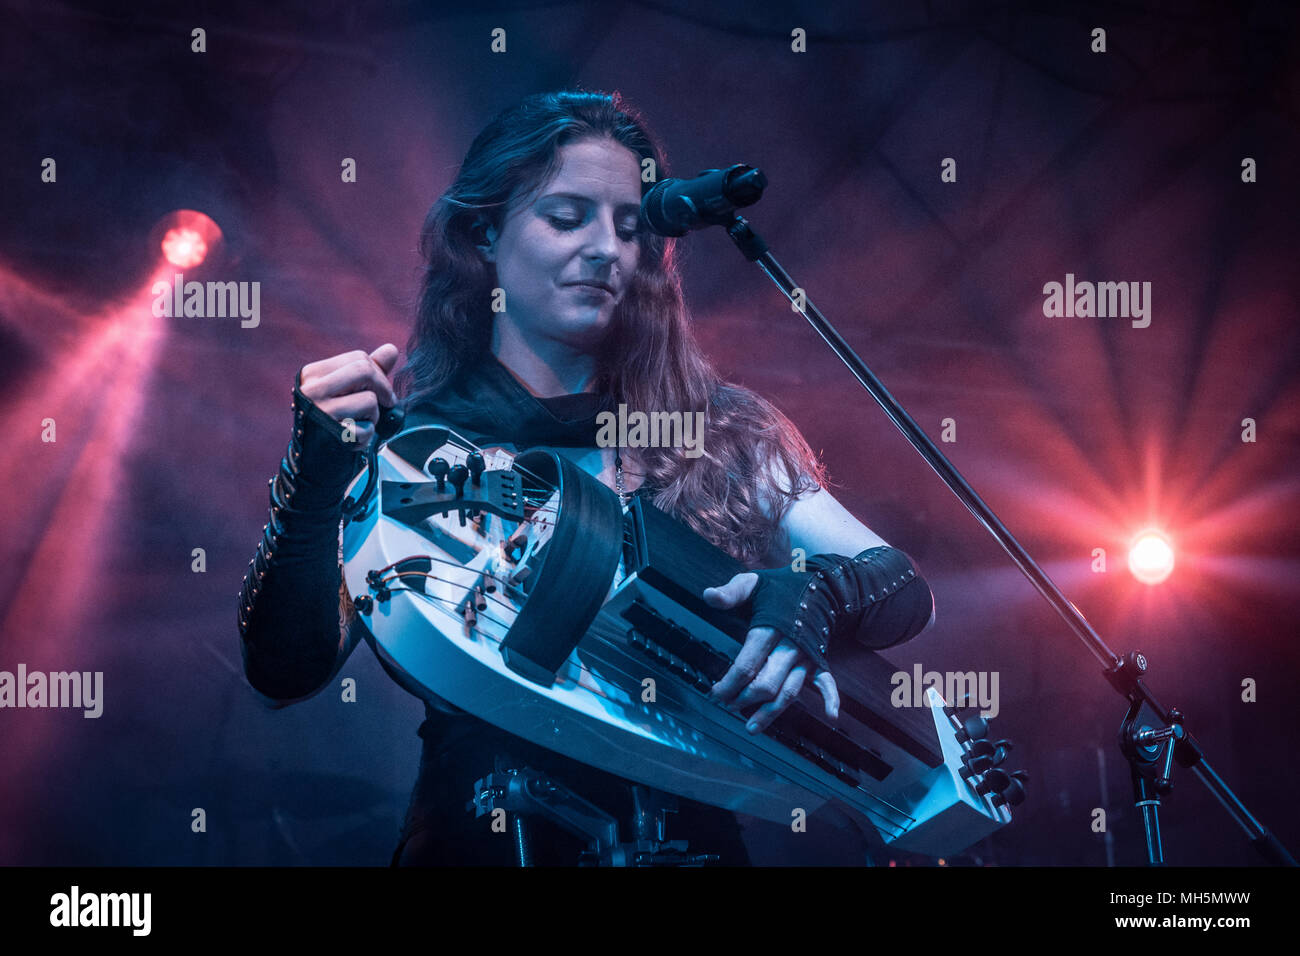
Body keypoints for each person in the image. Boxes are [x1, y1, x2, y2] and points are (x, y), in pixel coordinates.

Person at [237, 89, 935, 866]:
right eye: (567, 218)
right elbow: (282, 673)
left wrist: (821, 595)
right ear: (484, 234)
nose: (607, 249)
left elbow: (901, 584)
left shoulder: (722, 427)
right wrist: (312, 479)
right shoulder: (408, 448)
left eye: (630, 228)